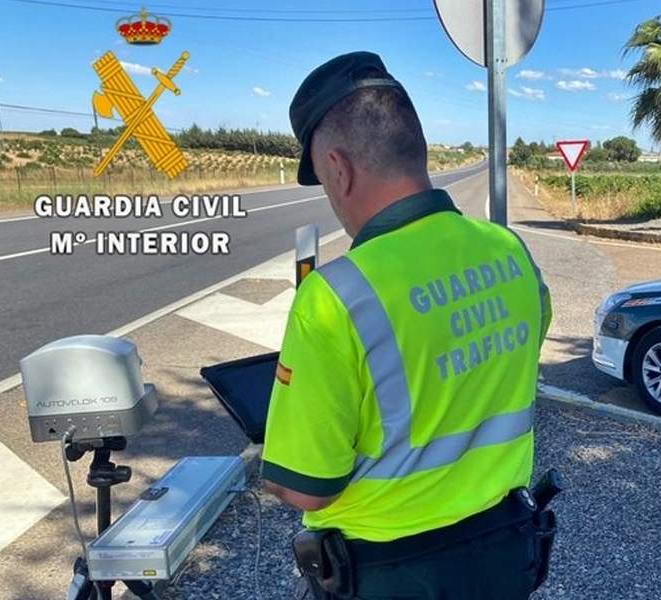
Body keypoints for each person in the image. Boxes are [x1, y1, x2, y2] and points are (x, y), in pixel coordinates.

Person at [259, 51, 554, 600]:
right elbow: (500, 355)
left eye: (324, 180)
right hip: (503, 555)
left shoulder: (333, 297)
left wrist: (274, 460)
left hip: (391, 574)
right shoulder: (511, 253)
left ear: (339, 169)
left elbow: (306, 490)